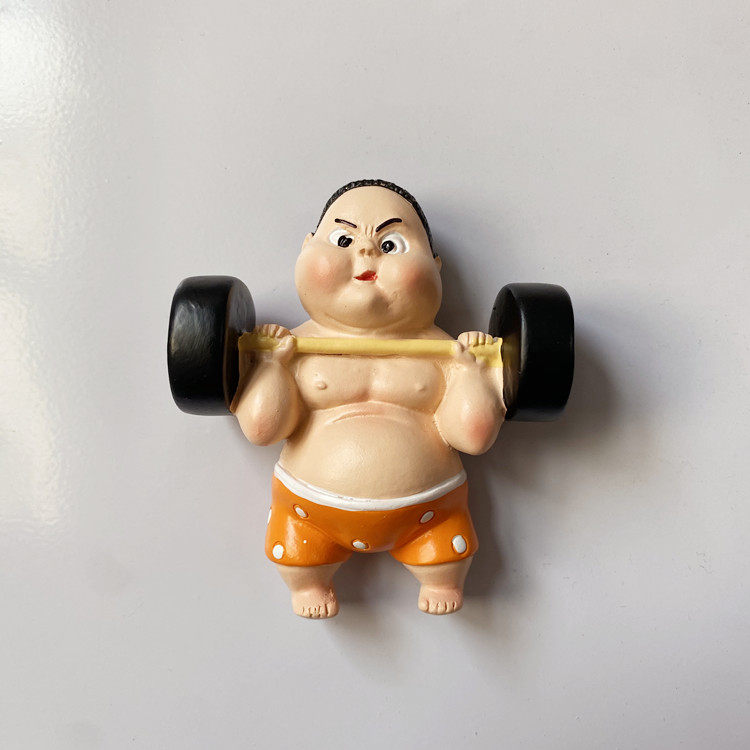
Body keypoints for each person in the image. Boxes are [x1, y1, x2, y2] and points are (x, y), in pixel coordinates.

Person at [232, 179, 505, 617]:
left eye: (391, 244)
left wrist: (472, 373)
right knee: (299, 554)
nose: (365, 251)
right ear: (307, 248)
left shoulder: (448, 354)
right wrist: (271, 367)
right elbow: (263, 428)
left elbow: (472, 436)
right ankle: (308, 583)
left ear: (435, 266)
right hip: (309, 510)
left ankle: (441, 575)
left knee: (445, 554)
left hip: (430, 512)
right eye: (343, 240)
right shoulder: (292, 348)